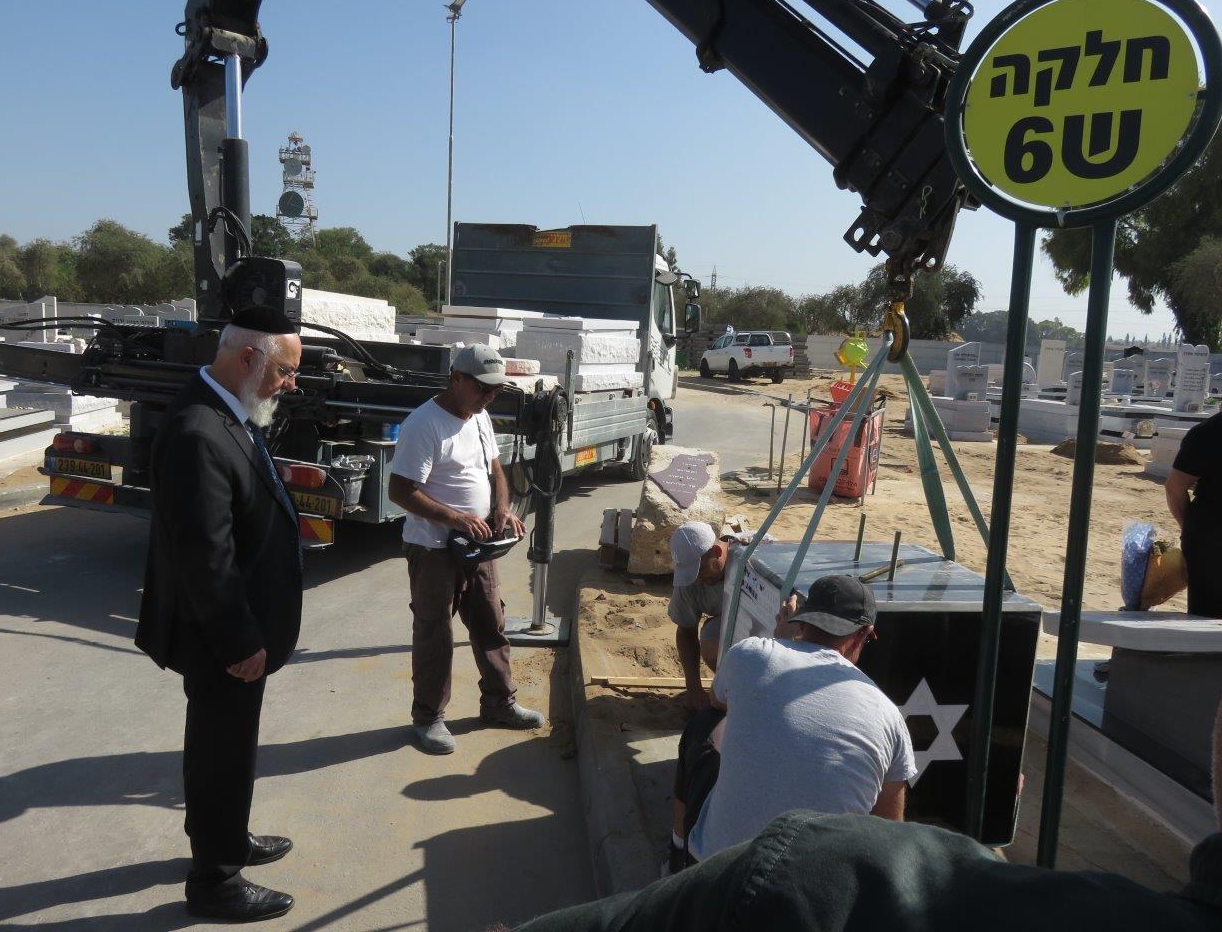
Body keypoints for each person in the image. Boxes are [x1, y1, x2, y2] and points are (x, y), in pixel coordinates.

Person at [136, 306, 304, 922]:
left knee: (232, 747)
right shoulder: (197, 432)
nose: (290, 384)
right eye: (284, 372)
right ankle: (215, 880)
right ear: (247, 359)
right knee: (218, 752)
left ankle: (229, 839)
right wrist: (239, 642)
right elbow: (206, 555)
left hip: (239, 630)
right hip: (221, 637)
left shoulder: (231, 410)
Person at [511, 810, 1222, 932]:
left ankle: (676, 838)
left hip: (719, 856)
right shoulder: (881, 713)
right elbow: (898, 812)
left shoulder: (820, 866)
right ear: (860, 639)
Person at [667, 574, 914, 871]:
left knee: (702, 725)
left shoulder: (752, 653)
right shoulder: (888, 714)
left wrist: (781, 643)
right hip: (813, 897)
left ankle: (676, 855)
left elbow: (719, 703)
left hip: (718, 873)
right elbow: (889, 831)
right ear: (864, 635)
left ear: (802, 619)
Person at [388, 344, 544, 755]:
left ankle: (500, 703)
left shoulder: (479, 417)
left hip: (478, 546)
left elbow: (496, 469)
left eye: (495, 391)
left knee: (491, 622)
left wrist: (501, 508)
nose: (490, 397)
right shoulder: (424, 424)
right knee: (434, 632)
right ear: (456, 379)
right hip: (434, 549)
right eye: (483, 389)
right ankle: (428, 719)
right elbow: (400, 491)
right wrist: (455, 518)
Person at [667, 522, 732, 710]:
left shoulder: (755, 561)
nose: (696, 580)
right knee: (711, 641)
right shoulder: (689, 584)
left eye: (699, 571)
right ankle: (733, 690)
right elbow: (686, 632)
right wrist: (693, 688)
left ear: (717, 552)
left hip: (769, 629)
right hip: (727, 623)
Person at [1166, 412, 1222, 617]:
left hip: (1209, 538)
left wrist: (1189, 530)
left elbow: (1175, 488)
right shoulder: (1211, 432)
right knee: (1208, 618)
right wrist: (1191, 531)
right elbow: (1176, 487)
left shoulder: (1207, 431)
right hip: (1213, 542)